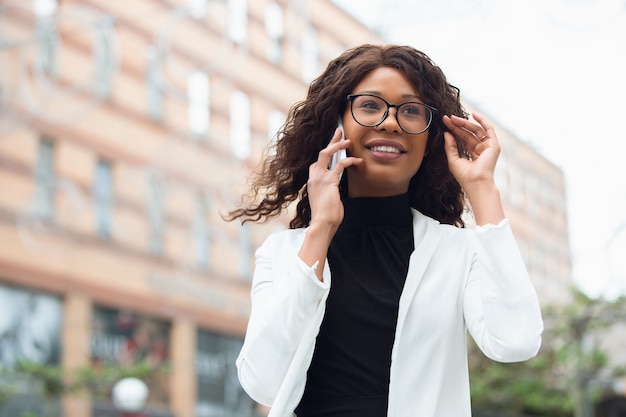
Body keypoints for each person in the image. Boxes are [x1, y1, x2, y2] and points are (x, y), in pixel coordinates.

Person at [226, 44, 543, 417]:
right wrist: (321, 228)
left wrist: (482, 187)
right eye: (370, 105)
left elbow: (515, 342)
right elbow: (263, 382)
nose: (390, 122)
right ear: (337, 125)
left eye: (410, 111)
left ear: (429, 141)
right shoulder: (283, 254)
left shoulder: (457, 251)